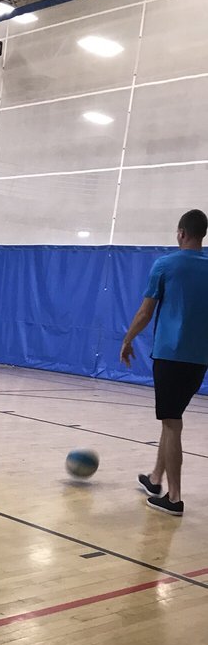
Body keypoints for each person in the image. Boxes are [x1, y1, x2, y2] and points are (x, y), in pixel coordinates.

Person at [120, 208, 208, 517]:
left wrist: (128, 339)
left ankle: (174, 498)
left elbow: (145, 312)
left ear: (181, 233)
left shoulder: (166, 265)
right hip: (200, 359)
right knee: (171, 417)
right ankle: (156, 479)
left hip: (171, 356)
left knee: (172, 423)